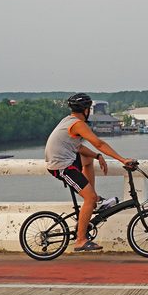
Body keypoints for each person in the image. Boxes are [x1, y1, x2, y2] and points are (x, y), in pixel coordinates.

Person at [45, 93, 136, 252]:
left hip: (67, 160)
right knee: (89, 197)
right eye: (89, 109)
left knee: (87, 160)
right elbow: (99, 143)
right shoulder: (78, 124)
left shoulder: (69, 121)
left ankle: (94, 200)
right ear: (86, 110)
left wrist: (97, 156)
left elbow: (78, 147)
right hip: (61, 166)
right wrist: (123, 160)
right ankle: (80, 240)